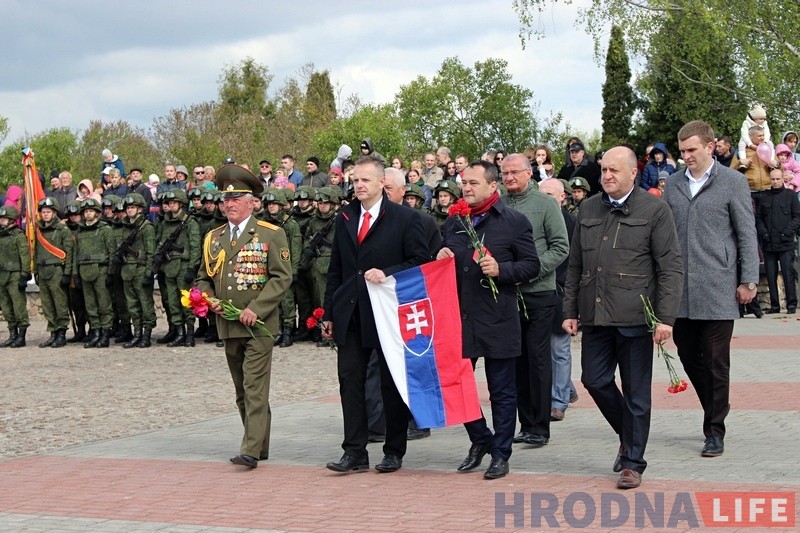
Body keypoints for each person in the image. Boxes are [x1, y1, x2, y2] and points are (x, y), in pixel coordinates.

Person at [563, 146, 684, 490]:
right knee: (594, 380)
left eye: (614, 171)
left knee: (636, 393)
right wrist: (569, 310)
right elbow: (575, 265)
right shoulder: (588, 208)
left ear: (634, 173)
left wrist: (665, 318)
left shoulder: (655, 209)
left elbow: (671, 267)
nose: (606, 176)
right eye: (603, 170)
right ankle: (628, 434)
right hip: (596, 314)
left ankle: (632, 462)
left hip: (635, 315)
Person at [322, 155, 429, 474]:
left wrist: (388, 273)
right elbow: (336, 268)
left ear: (383, 182)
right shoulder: (345, 217)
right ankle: (354, 451)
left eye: (365, 180)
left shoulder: (404, 219)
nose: (358, 185)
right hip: (351, 312)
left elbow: (421, 262)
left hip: (387, 314)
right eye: (354, 180)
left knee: (390, 384)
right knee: (350, 381)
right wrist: (329, 311)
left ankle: (394, 450)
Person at [663, 120, 759, 459]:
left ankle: (714, 430)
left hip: (719, 285)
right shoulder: (672, 185)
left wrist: (749, 279)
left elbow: (746, 233)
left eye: (692, 149)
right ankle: (717, 403)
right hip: (681, 290)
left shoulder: (732, 182)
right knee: (688, 354)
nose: (686, 156)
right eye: (683, 150)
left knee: (717, 361)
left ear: (710, 146)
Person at [439, 160, 540, 479]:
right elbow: (447, 263)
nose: (465, 188)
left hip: (497, 317)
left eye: (472, 183)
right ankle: (480, 438)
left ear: (492, 186)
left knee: (502, 390)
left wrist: (502, 270)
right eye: (463, 183)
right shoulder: (454, 222)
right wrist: (441, 257)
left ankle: (501, 452)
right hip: (460, 317)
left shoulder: (513, 222)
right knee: (454, 385)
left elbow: (531, 265)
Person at [196, 164, 293, 468]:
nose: (230, 204)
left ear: (252, 202)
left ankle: (249, 449)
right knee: (242, 390)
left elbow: (281, 277)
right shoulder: (213, 238)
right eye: (226, 200)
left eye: (237, 199)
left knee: (254, 386)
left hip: (258, 325)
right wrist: (207, 299)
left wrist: (256, 308)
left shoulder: (270, 234)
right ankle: (259, 444)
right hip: (227, 323)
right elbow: (203, 277)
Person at [501, 154, 569, 449]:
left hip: (538, 292)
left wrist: (529, 271)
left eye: (515, 172)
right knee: (516, 359)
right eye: (504, 173)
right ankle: (525, 422)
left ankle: (539, 427)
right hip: (505, 293)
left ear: (530, 173)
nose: (509, 178)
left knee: (538, 359)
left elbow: (560, 247)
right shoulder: (499, 204)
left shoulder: (545, 204)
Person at [537, 179, 578, 421]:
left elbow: (573, 261)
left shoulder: (570, 222)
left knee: (559, 348)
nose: (546, 198)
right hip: (538, 291)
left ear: (563, 197)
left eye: (551, 194)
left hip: (561, 291)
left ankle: (558, 401)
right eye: (542, 194)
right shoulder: (535, 218)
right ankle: (567, 389)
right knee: (542, 349)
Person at [74, 198, 116, 349]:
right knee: (90, 305)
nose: (88, 214)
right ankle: (96, 332)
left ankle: (105, 334)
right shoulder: (80, 231)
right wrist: (75, 274)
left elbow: (112, 253)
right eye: (86, 211)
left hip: (101, 271)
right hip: (84, 271)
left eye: (91, 211)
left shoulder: (105, 230)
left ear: (97, 213)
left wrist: (111, 273)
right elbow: (75, 255)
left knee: (104, 305)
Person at [756, 169, 800, 314]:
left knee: (788, 274)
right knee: (770, 275)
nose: (775, 182)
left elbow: (797, 217)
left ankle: (791, 304)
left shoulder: (791, 195)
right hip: (769, 243)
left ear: (783, 179)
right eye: (773, 179)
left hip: (786, 242)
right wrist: (764, 233)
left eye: (777, 179)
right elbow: (759, 218)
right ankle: (775, 306)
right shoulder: (764, 196)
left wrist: (787, 232)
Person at [118, 193, 157, 348]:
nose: (130, 211)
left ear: (140, 209)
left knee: (145, 303)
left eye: (133, 207)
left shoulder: (146, 227)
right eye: (128, 208)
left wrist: (149, 273)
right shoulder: (125, 226)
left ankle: (146, 334)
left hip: (140, 270)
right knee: (132, 304)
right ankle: (137, 333)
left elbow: (151, 252)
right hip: (127, 270)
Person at [35, 197, 74, 348]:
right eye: (43, 212)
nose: (45, 215)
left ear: (54, 213)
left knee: (59, 302)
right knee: (47, 304)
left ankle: (61, 333)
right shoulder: (38, 231)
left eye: (48, 212)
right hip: (43, 270)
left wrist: (67, 273)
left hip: (57, 269)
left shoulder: (62, 230)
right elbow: (37, 252)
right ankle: (53, 332)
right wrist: (36, 271)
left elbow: (69, 252)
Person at [0, 206, 31, 347]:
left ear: (12, 220)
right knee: (6, 307)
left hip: (15, 274)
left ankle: (21, 335)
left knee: (18, 307)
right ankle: (12, 334)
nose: (1, 220)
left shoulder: (18, 235)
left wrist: (25, 274)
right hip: (2, 275)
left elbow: (24, 256)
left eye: (4, 218)